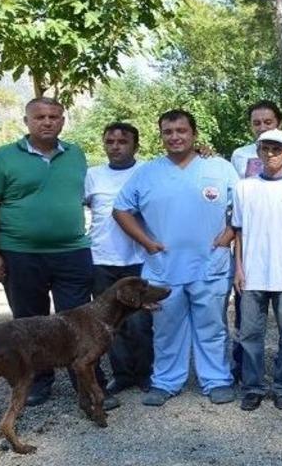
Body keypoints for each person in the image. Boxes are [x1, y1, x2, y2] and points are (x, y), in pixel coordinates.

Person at [0, 97, 109, 408]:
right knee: (29, 322)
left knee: (81, 321)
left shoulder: (76, 155)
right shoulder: (2, 157)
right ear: (26, 122)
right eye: (39, 117)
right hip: (20, 254)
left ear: (63, 120)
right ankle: (38, 381)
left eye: (54, 116)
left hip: (72, 252)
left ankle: (87, 380)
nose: (47, 122)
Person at [113, 109, 238, 407]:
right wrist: (146, 242)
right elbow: (120, 210)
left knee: (212, 327)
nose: (175, 137)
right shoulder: (147, 173)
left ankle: (217, 379)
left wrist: (229, 234)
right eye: (168, 132)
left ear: (194, 134)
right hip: (163, 267)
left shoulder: (219, 168)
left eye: (181, 131)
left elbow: (244, 207)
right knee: (166, 328)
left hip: (210, 263)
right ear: (161, 137)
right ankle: (166, 381)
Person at [232, 129, 282, 411]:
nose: (270, 154)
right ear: (257, 152)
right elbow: (239, 232)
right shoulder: (245, 187)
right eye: (265, 148)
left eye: (277, 149)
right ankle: (253, 387)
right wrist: (238, 268)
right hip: (253, 274)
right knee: (250, 334)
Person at [85, 122, 150, 399]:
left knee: (141, 322)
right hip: (101, 258)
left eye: (122, 141)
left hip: (138, 258)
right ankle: (122, 375)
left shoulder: (148, 172)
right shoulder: (92, 175)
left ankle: (147, 374)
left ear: (135, 145)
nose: (115, 146)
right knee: (110, 324)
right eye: (110, 141)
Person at [230, 100, 282, 183]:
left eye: (268, 122)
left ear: (280, 124)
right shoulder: (239, 154)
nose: (262, 128)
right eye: (257, 123)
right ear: (250, 126)